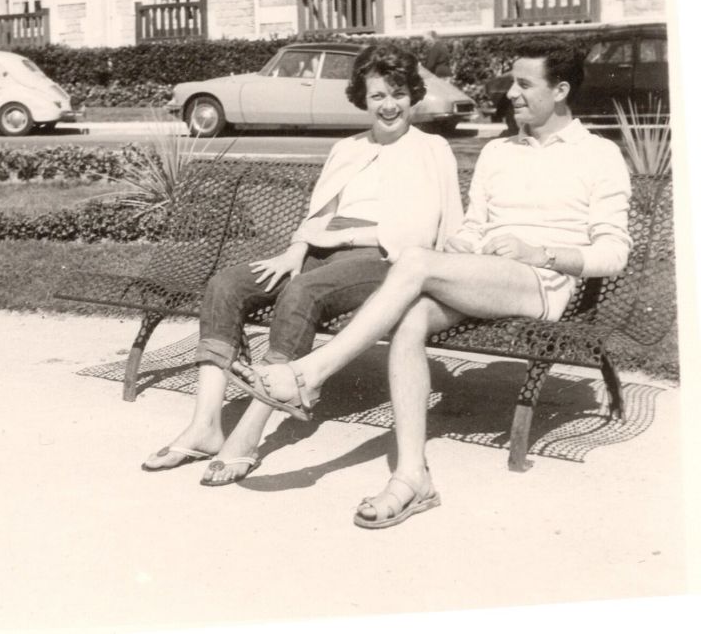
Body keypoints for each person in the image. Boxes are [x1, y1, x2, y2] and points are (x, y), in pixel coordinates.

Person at [228, 37, 631, 527]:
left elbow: (614, 253)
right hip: (482, 275)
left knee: (416, 261)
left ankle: (308, 373)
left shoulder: (598, 155)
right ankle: (412, 476)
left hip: (542, 283)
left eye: (525, 85)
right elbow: (474, 227)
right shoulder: (499, 151)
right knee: (411, 318)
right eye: (513, 83)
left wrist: (540, 253)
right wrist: (459, 247)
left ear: (560, 90)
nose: (511, 94)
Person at [142, 44, 463, 485]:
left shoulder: (431, 148)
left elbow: (421, 233)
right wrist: (296, 249)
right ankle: (206, 426)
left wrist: (340, 237)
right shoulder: (348, 148)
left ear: (414, 95)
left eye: (399, 94)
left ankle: (249, 433)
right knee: (227, 285)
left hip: (385, 258)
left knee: (302, 292)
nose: (389, 105)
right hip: (320, 251)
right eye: (377, 96)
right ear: (363, 99)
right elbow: (318, 215)